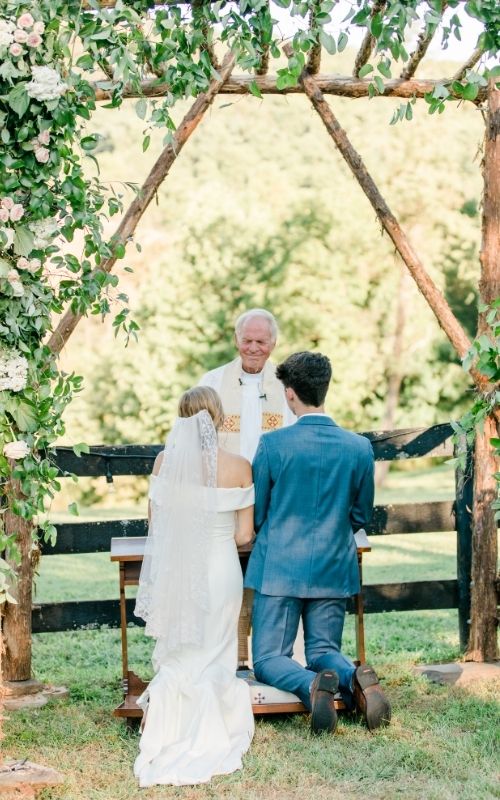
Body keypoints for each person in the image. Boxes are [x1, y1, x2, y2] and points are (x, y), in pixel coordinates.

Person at [245, 352, 391, 734]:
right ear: (325, 390)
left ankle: (312, 687)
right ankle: (357, 679)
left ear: (290, 394)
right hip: (333, 562)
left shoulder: (272, 445)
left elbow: (258, 514)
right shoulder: (359, 447)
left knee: (268, 657)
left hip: (279, 567)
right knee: (324, 650)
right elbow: (361, 516)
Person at [134, 386, 255, 786]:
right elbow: (243, 535)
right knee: (216, 648)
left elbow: (156, 526)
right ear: (219, 418)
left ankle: (168, 714)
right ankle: (211, 718)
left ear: (181, 419)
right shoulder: (239, 466)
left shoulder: (164, 462)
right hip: (221, 568)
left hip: (179, 570)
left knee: (183, 649)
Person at [199, 308, 296, 463]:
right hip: (226, 481)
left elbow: (296, 438)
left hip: (272, 482)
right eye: (247, 341)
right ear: (236, 340)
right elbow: (196, 435)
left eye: (260, 342)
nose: (253, 348)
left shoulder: (287, 384)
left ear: (273, 343)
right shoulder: (212, 382)